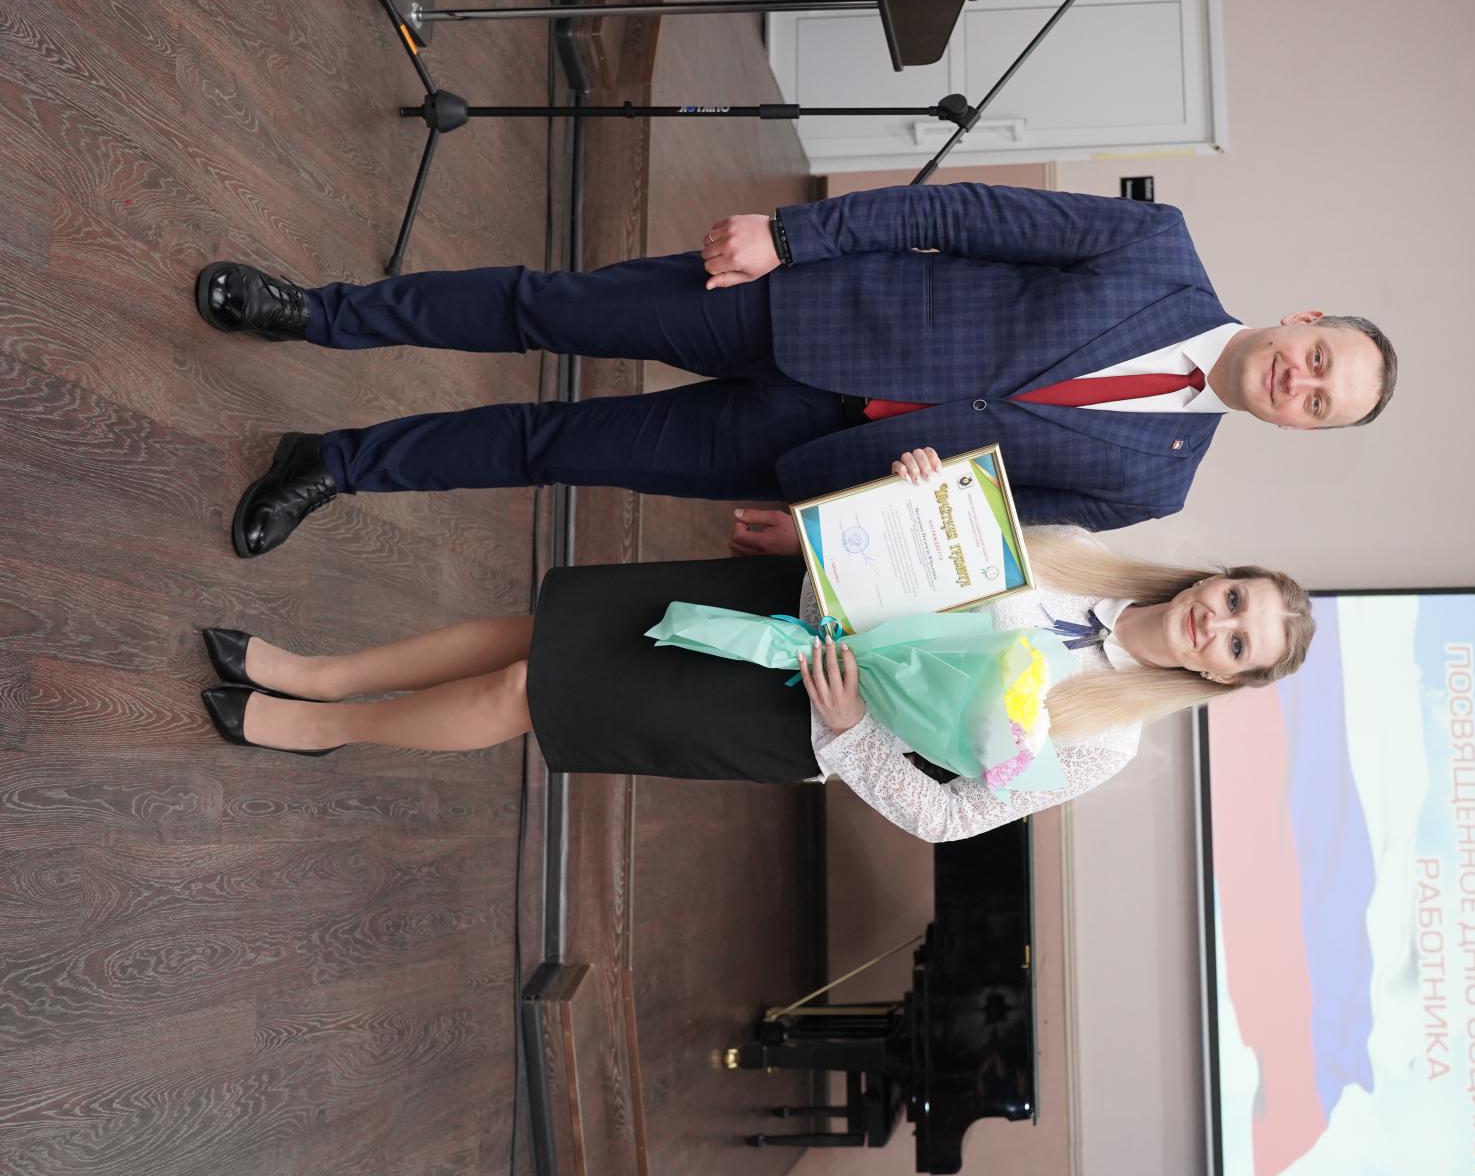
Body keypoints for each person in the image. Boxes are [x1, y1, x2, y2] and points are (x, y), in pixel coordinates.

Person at [197, 183, 1398, 557]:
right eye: (1319, 357)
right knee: (544, 308)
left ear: (1305, 430)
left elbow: (982, 520)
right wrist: (793, 234)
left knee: (555, 448)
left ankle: (336, 465)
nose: (1301, 380)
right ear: (1303, 318)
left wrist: (831, 531)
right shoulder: (1156, 246)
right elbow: (963, 213)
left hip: (811, 452)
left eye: (1320, 402)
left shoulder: (1157, 485)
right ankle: (316, 315)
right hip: (797, 305)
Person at [197, 451, 1316, 843]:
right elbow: (918, 556)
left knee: (528, 692)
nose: (1217, 623)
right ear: (1211, 579)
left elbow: (948, 815)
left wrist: (852, 728)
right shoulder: (1073, 552)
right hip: (784, 601)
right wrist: (896, 495)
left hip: (793, 712)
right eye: (1234, 600)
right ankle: (317, 671)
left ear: (1220, 677)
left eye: (1237, 644)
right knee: (543, 635)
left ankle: (320, 727)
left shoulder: (1106, 743)